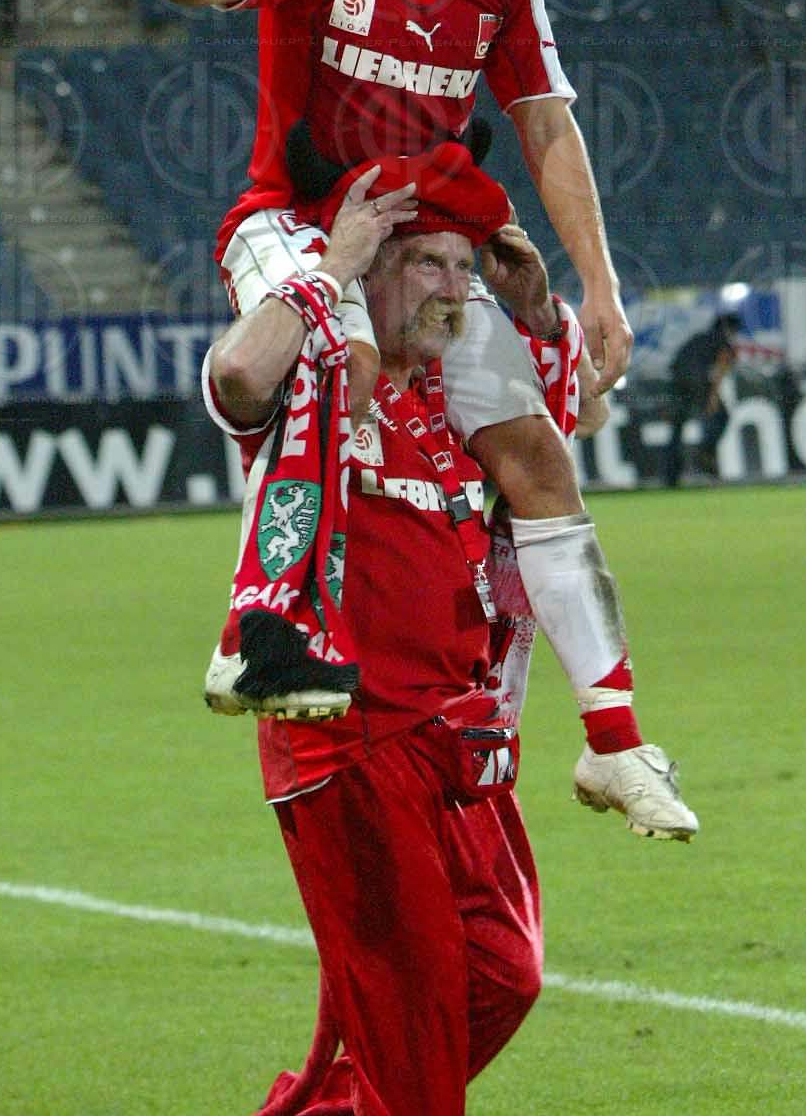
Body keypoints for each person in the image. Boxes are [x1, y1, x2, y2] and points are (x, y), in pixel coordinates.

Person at [163, 0, 696, 836]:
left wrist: (598, 284)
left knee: (539, 459)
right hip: (295, 223)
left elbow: (545, 121)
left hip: (427, 242)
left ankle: (613, 742)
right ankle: (264, 625)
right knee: (338, 358)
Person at [203, 151, 552, 1116]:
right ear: (374, 276)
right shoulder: (320, 383)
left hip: (453, 743)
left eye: (462, 268)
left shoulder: (452, 395)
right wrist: (332, 266)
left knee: (503, 971)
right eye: (427, 265)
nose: (454, 289)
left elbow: (570, 438)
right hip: (348, 743)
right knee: (413, 1030)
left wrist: (542, 314)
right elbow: (236, 371)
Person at [663, 314, 739, 487]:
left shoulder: (698, 338)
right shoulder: (723, 342)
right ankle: (705, 454)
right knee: (721, 417)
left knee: (676, 430)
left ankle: (670, 477)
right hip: (698, 382)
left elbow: (676, 362)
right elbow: (720, 369)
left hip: (677, 382)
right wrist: (712, 397)